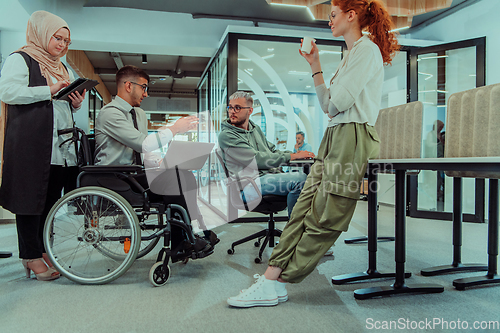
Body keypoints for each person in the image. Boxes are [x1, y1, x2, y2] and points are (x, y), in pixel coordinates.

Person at [227, 0, 399, 307]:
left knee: (325, 215)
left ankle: (277, 279)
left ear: (351, 14)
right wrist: (314, 64)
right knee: (305, 207)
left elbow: (338, 103)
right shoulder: (350, 54)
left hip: (353, 134)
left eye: (333, 15)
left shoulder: (366, 50)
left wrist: (333, 98)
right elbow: (327, 105)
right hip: (336, 134)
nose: (329, 20)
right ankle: (272, 275)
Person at [93, 65, 218, 255]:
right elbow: (142, 143)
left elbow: (144, 151)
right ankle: (185, 238)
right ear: (128, 85)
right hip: (114, 177)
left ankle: (190, 233)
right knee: (174, 180)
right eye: (143, 87)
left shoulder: (139, 114)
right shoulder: (110, 113)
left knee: (183, 175)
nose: (146, 93)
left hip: (135, 175)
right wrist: (175, 129)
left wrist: (158, 162)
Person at [0, 11, 86, 281]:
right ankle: (30, 256)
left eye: (66, 41)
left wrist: (75, 102)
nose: (61, 45)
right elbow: (7, 92)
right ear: (42, 33)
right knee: (30, 201)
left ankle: (41, 248)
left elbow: (61, 104)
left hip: (59, 146)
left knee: (49, 199)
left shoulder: (62, 66)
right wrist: (47, 90)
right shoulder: (21, 59)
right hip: (30, 143)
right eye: (57, 38)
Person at [218, 91, 314, 218]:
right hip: (248, 185)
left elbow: (271, 151)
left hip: (266, 178)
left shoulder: (255, 129)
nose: (232, 111)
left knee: (312, 179)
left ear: (250, 110)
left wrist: (296, 154)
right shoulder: (227, 135)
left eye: (238, 107)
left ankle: (305, 227)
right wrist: (292, 157)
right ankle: (294, 233)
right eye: (230, 107)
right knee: (300, 180)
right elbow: (256, 159)